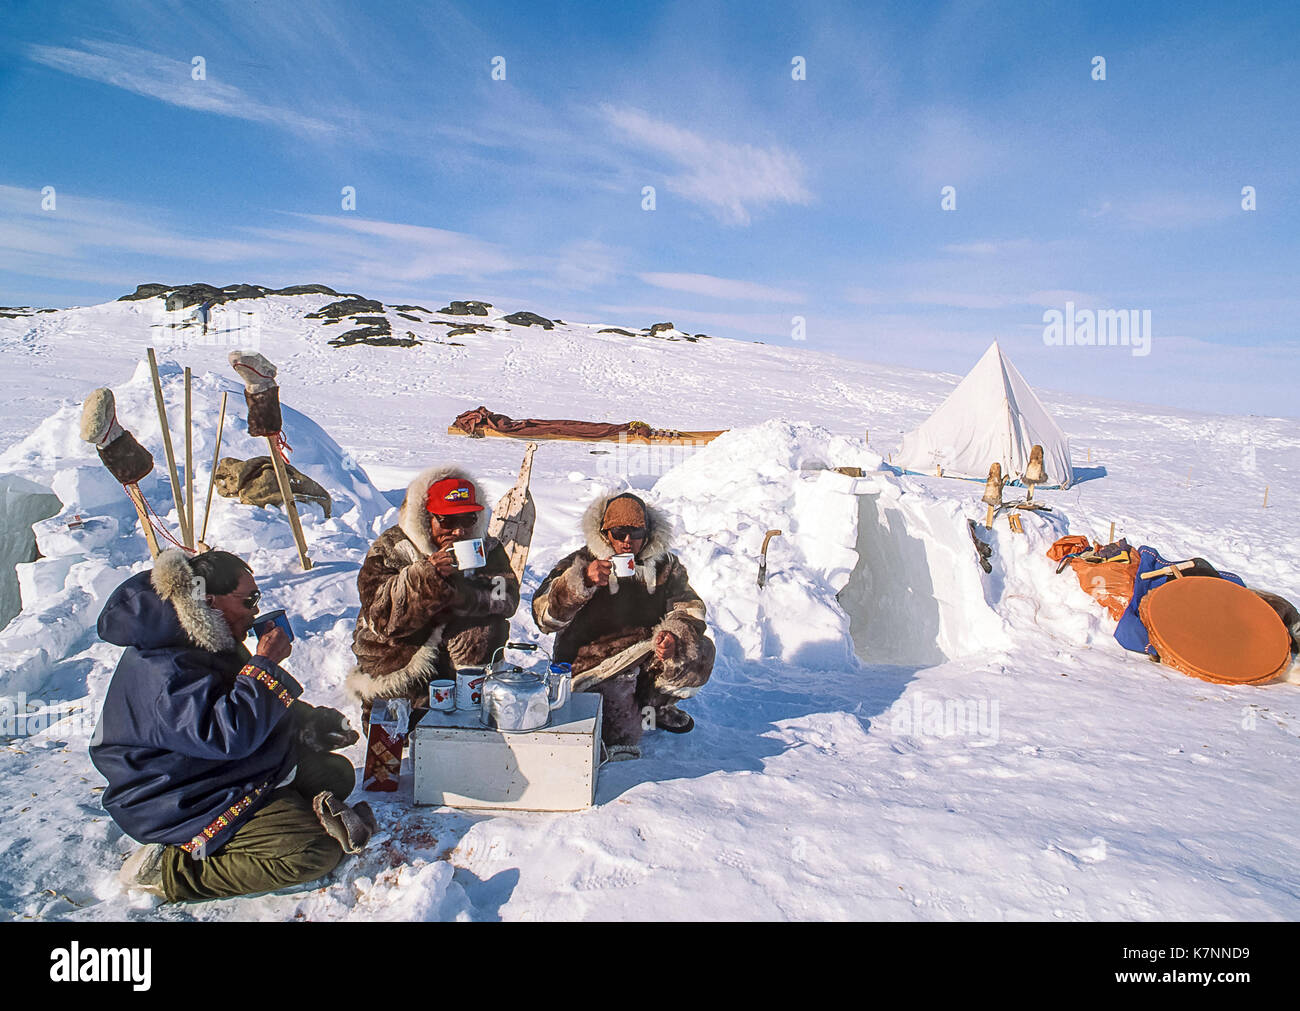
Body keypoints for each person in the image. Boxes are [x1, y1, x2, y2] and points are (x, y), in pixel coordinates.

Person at [91, 549, 373, 903]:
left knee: (336, 774)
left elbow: (238, 700)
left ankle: (279, 817)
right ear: (210, 600)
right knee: (314, 853)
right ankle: (172, 870)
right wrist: (265, 663)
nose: (255, 610)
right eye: (249, 600)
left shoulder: (204, 636)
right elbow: (226, 735)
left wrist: (309, 724)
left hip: (211, 771)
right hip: (178, 796)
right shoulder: (166, 670)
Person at [532, 491, 714, 760]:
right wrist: (582, 582)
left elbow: (689, 607)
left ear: (648, 532)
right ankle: (628, 711)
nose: (628, 542)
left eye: (636, 533)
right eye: (619, 533)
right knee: (620, 737)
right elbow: (544, 618)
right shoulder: (581, 562)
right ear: (606, 533)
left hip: (645, 653)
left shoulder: (666, 566)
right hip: (598, 666)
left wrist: (673, 637)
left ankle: (654, 706)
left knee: (698, 652)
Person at [348, 466, 520, 730]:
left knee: (487, 626)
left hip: (460, 667)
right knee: (394, 739)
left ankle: (469, 704)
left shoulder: (486, 549)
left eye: (469, 519)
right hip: (399, 663)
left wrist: (462, 593)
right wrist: (427, 578)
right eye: (448, 521)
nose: (459, 531)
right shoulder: (393, 548)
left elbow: (506, 598)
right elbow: (381, 619)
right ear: (426, 518)